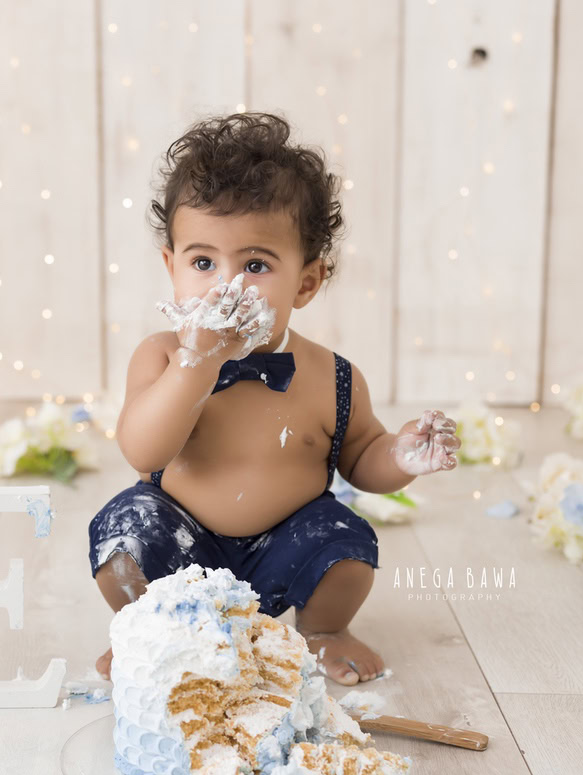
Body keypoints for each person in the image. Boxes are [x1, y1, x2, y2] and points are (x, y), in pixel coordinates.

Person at [89, 112, 461, 685]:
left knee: (346, 540)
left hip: (284, 549)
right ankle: (151, 632)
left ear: (306, 283)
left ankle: (324, 631)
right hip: (183, 545)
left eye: (256, 264)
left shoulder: (330, 374)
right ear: (172, 267)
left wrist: (401, 457)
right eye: (203, 262)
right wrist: (197, 365)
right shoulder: (163, 358)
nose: (226, 285)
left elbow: (361, 458)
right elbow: (144, 454)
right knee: (124, 533)